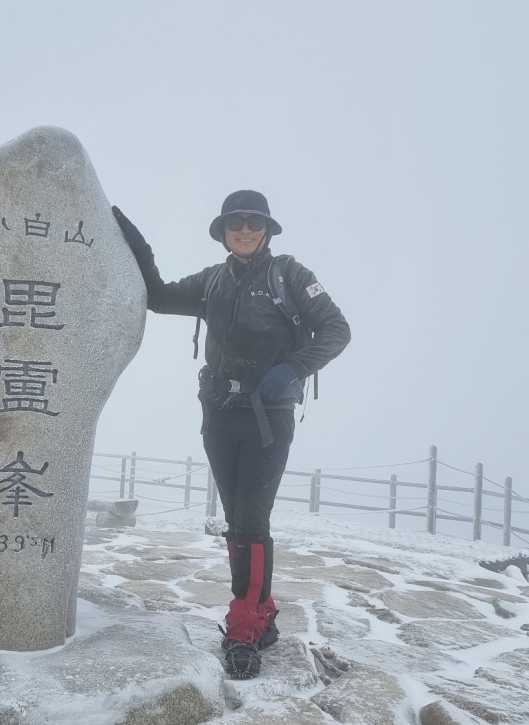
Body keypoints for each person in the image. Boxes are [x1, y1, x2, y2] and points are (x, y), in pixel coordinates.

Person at [112, 190, 351, 679]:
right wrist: (131, 240)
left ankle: (244, 630)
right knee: (237, 520)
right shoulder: (212, 281)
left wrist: (292, 370)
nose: (245, 229)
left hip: (269, 416)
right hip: (218, 412)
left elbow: (336, 329)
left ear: (267, 229)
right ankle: (262, 614)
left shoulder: (290, 275)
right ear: (222, 229)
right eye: (235, 222)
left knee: (250, 520)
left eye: (254, 221)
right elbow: (157, 297)